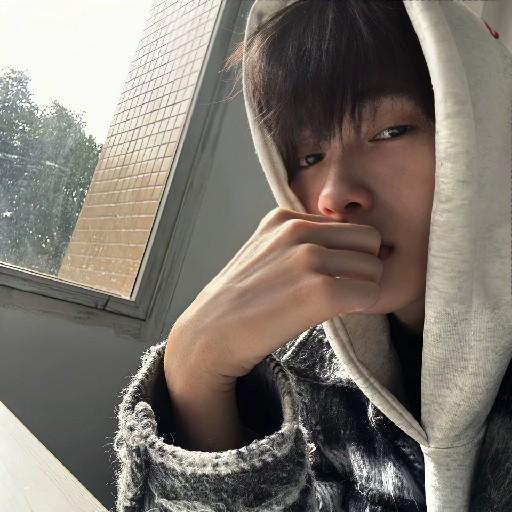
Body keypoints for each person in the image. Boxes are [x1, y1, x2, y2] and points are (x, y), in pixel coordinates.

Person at [113, 1, 512, 511]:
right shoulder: (310, 370)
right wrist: (194, 368)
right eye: (308, 157)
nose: (334, 194)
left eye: (390, 131)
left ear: (485, 133)